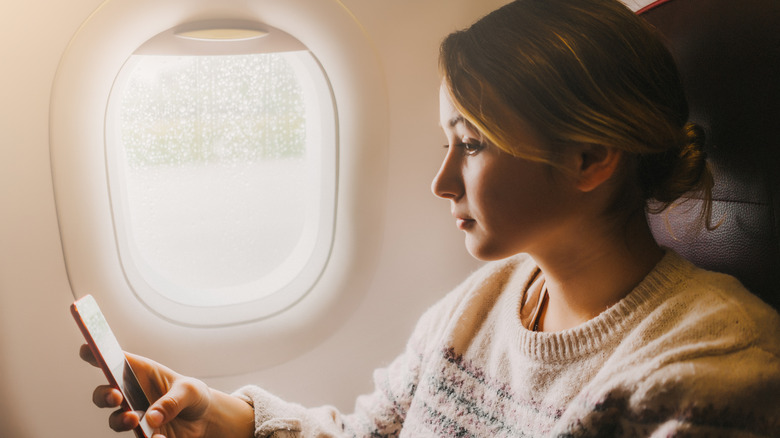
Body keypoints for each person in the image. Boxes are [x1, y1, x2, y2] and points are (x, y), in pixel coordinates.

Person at [81, 0, 780, 436]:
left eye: (472, 144)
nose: (441, 181)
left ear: (590, 157)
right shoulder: (483, 305)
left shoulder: (707, 374)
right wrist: (223, 416)